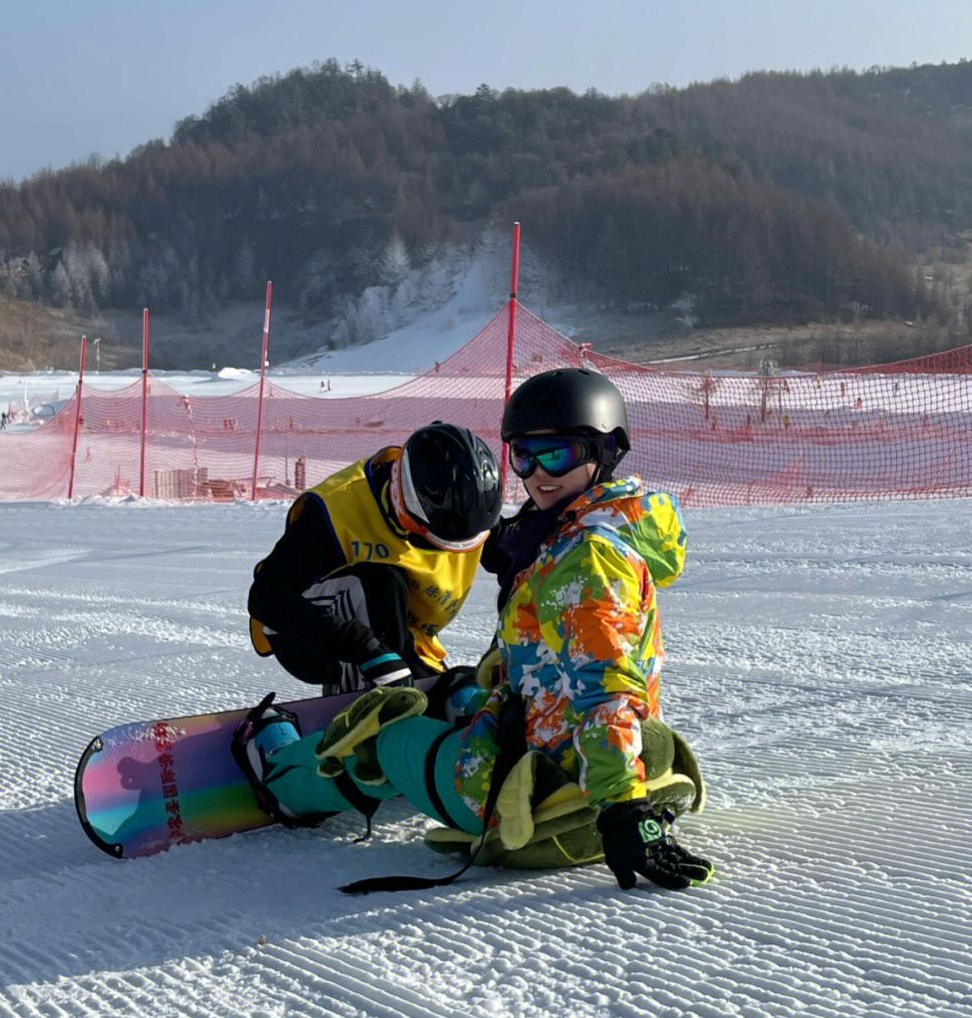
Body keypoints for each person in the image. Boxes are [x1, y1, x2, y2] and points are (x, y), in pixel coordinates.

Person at [238, 369, 714, 895]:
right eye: (524, 457)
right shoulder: (583, 529)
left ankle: (281, 776)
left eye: (555, 455)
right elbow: (270, 598)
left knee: (384, 733)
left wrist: (626, 813)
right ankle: (443, 701)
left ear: (604, 451)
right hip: (560, 746)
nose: (537, 475)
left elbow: (606, 685)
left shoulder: (585, 556)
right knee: (451, 664)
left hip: (512, 782)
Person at [246, 421, 503, 695]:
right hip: (304, 631)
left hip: (396, 629)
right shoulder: (333, 513)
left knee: (444, 687)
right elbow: (265, 598)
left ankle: (399, 683)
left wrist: (504, 652)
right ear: (404, 505)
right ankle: (366, 702)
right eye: (431, 543)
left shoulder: (471, 513)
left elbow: (520, 567)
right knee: (383, 583)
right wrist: (359, 645)